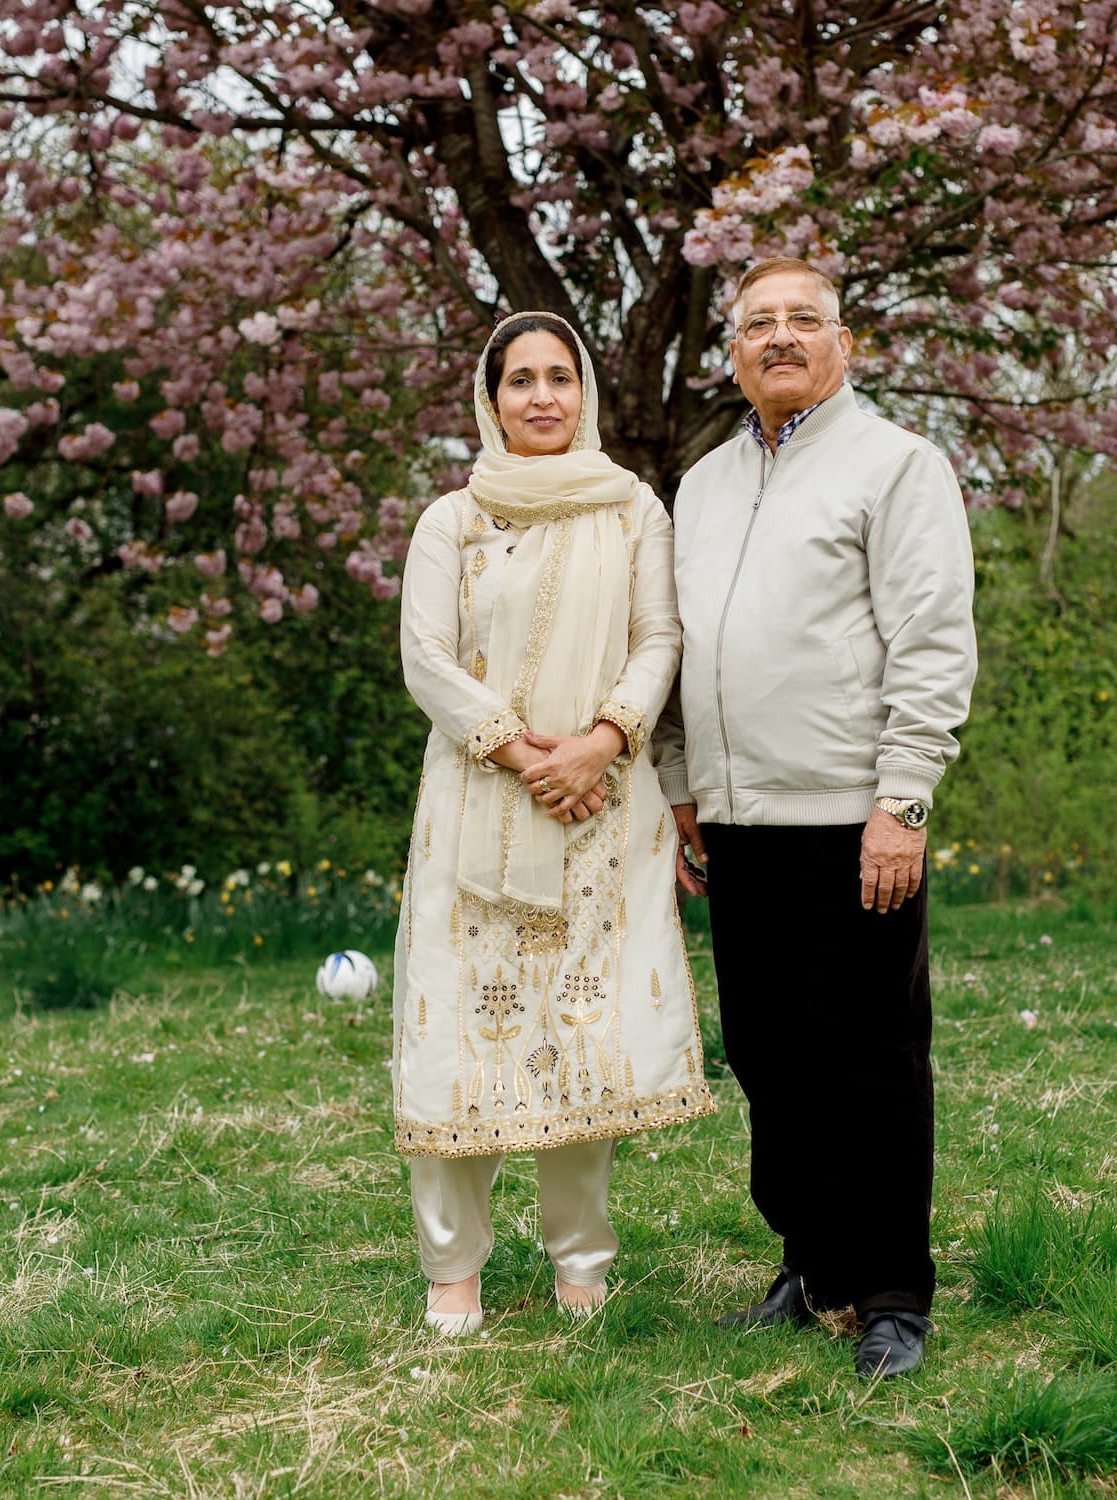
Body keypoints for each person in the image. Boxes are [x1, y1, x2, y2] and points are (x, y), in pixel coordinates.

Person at [654, 257, 977, 1377]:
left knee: (871, 1058)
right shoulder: (699, 486)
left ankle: (889, 1293)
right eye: (757, 324)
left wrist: (901, 800)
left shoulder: (896, 467)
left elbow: (930, 642)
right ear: (731, 354)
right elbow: (678, 649)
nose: (779, 337)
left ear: (847, 344)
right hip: (733, 823)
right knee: (766, 1053)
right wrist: (681, 790)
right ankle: (811, 1260)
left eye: (804, 319)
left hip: (853, 817)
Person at [390, 311, 715, 1336]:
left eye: (559, 378)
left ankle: (581, 1263)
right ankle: (453, 1270)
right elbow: (425, 657)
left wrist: (603, 741)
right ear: (489, 403)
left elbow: (658, 633)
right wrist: (525, 753)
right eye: (518, 380)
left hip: (600, 815)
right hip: (477, 806)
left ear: (584, 394)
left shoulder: (631, 509)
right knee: (461, 1035)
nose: (541, 397)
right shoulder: (452, 519)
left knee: (583, 1031)